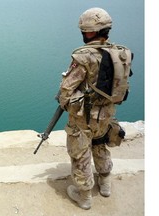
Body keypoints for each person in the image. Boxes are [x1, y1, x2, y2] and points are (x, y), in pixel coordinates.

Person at [58, 7, 131, 210]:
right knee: (100, 144)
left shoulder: (84, 56)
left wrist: (66, 103)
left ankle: (84, 196)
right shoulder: (119, 52)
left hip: (84, 115)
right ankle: (105, 183)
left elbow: (66, 89)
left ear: (89, 31)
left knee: (80, 152)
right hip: (107, 113)